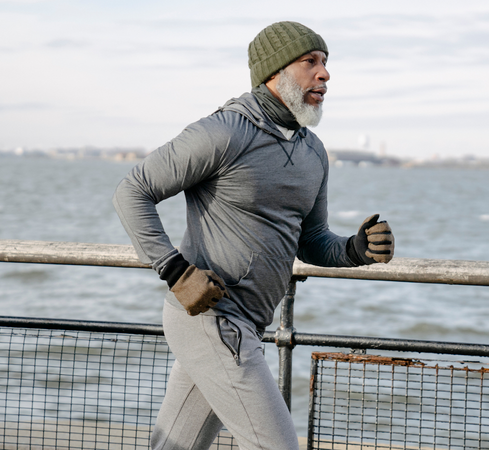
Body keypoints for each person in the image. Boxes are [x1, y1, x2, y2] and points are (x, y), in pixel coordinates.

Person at [113, 21, 395, 450]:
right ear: (274, 72)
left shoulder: (312, 151)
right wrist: (174, 271)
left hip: (247, 324)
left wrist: (356, 249)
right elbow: (132, 192)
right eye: (311, 63)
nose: (325, 74)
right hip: (212, 320)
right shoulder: (224, 132)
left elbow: (312, 237)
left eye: (326, 63)